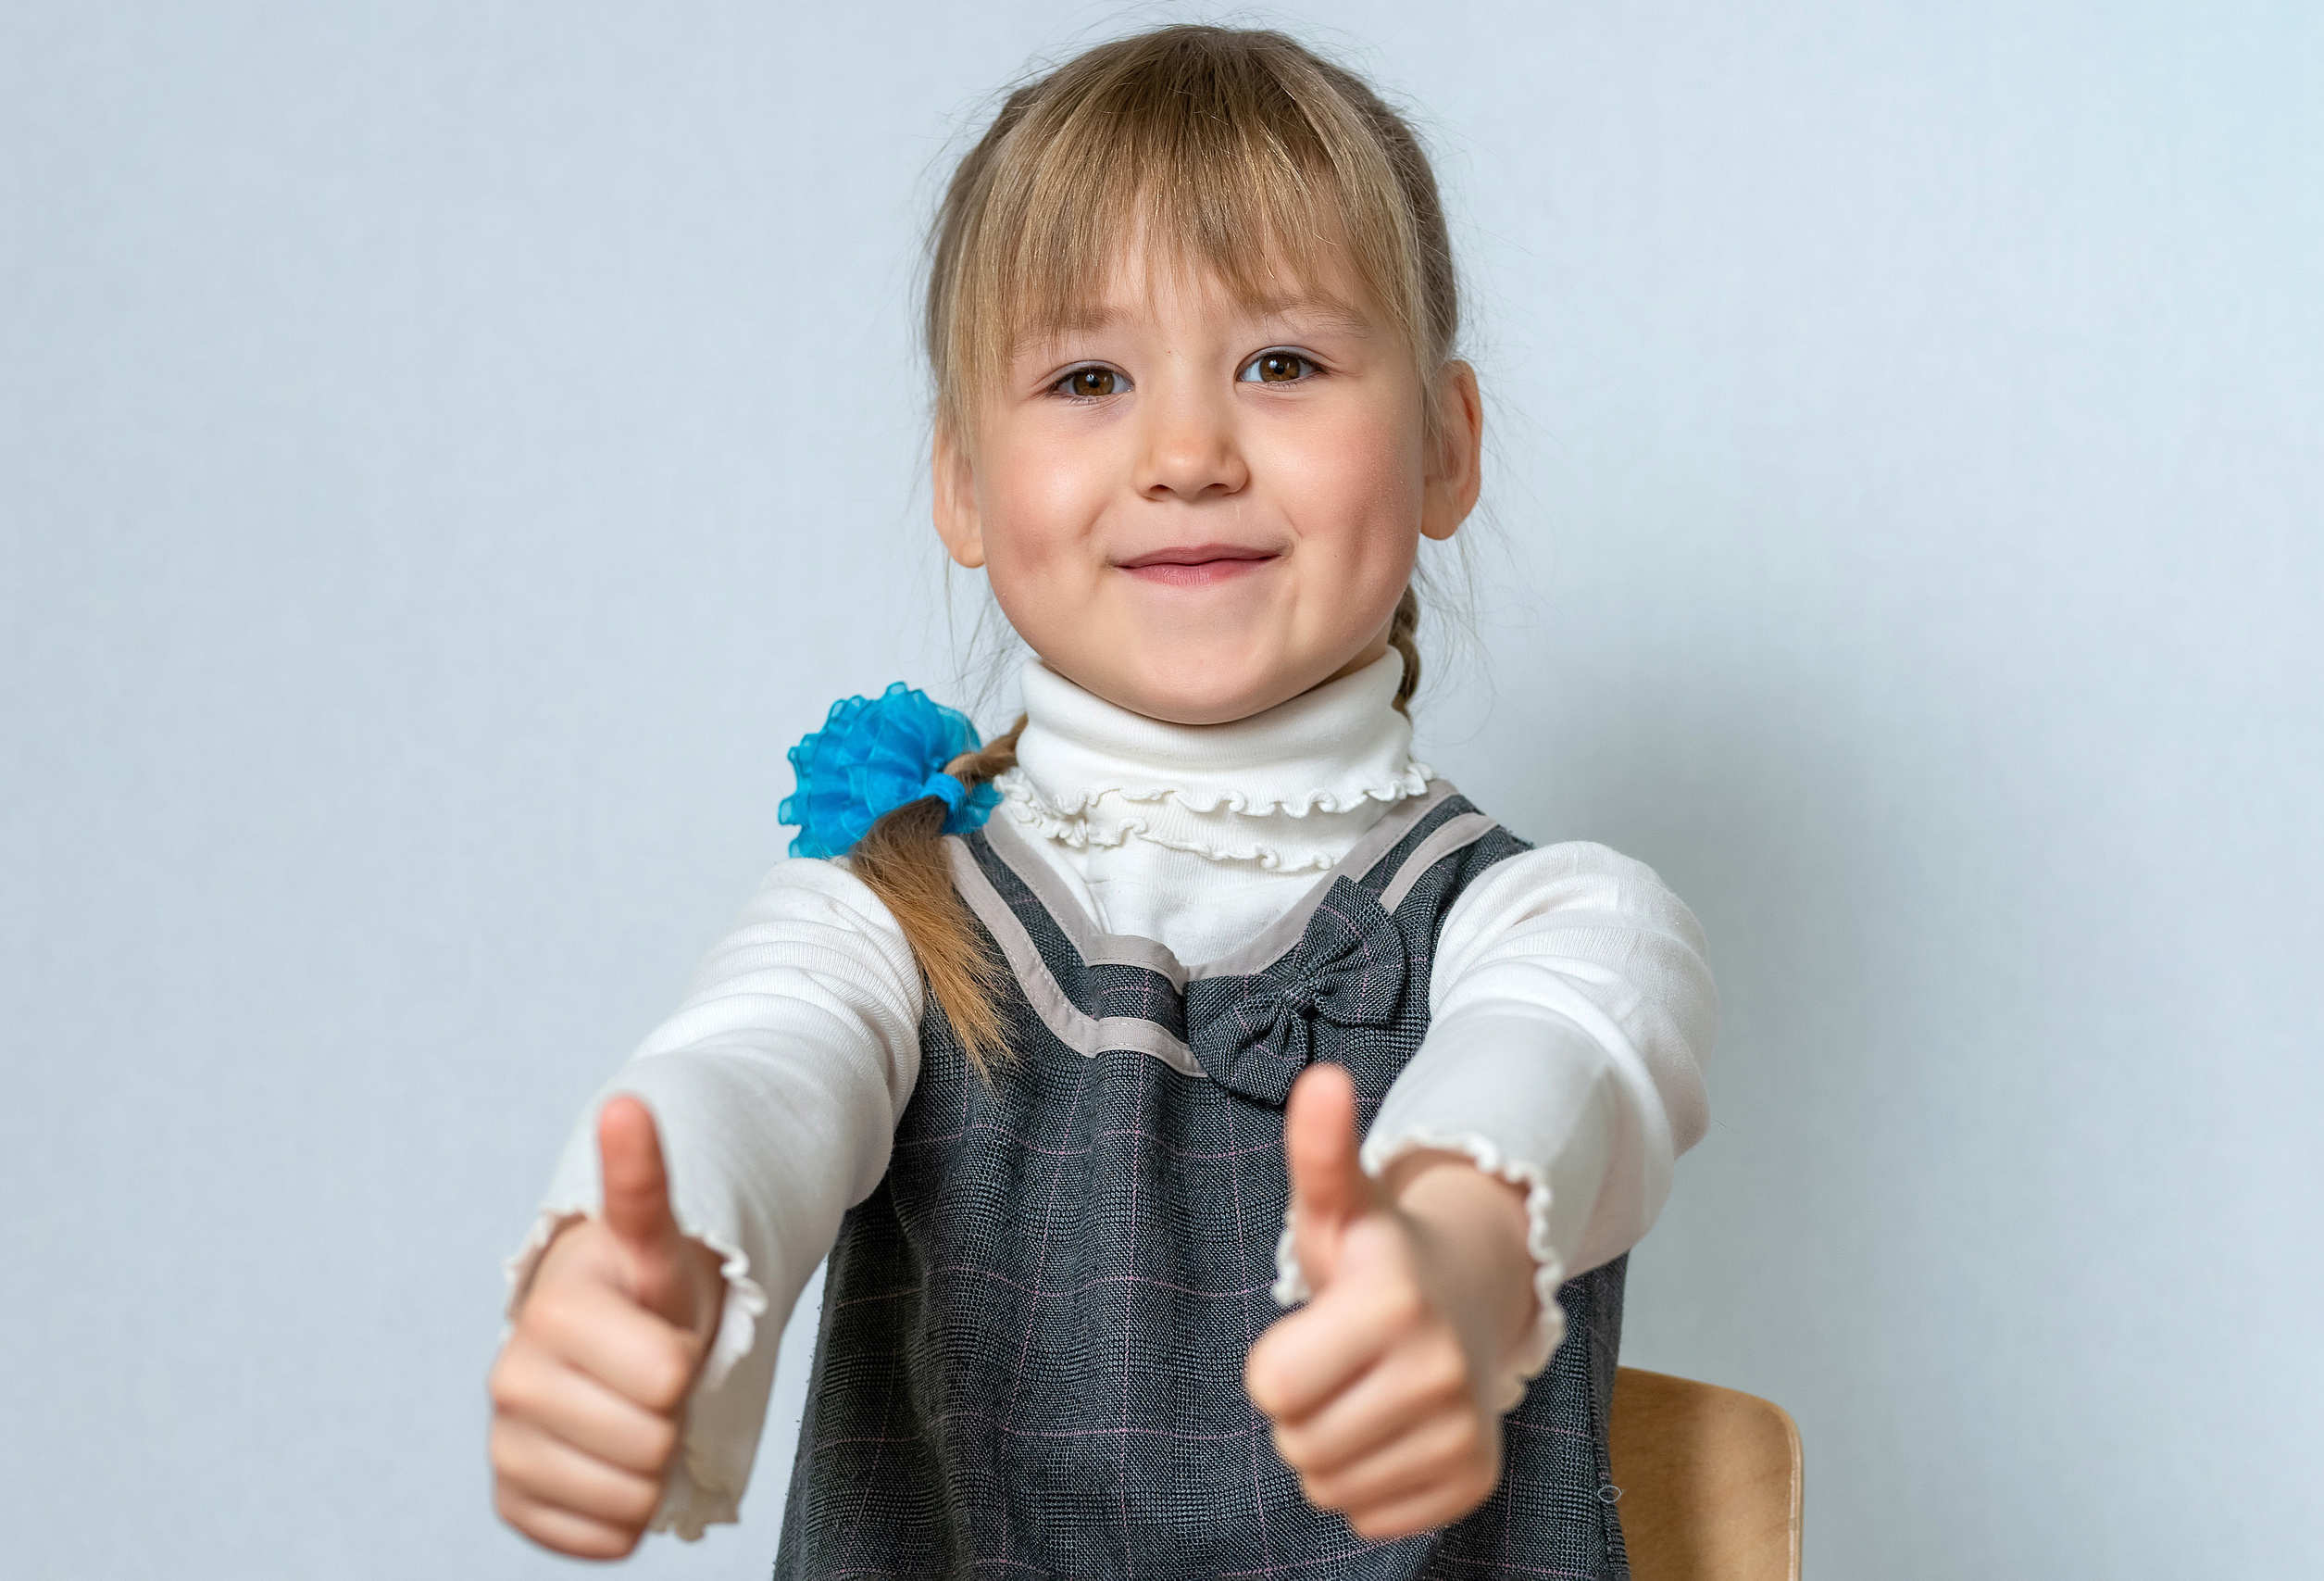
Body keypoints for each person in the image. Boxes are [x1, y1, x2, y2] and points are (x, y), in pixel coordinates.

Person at [485, 24, 1716, 1576]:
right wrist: (634, 1273)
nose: (1187, 451)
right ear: (962, 483)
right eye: (1086, 377)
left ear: (1447, 446)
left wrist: (1453, 1254)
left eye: (1282, 363)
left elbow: (1568, 1056)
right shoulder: (889, 920)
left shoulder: (1557, 920)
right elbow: (751, 1068)